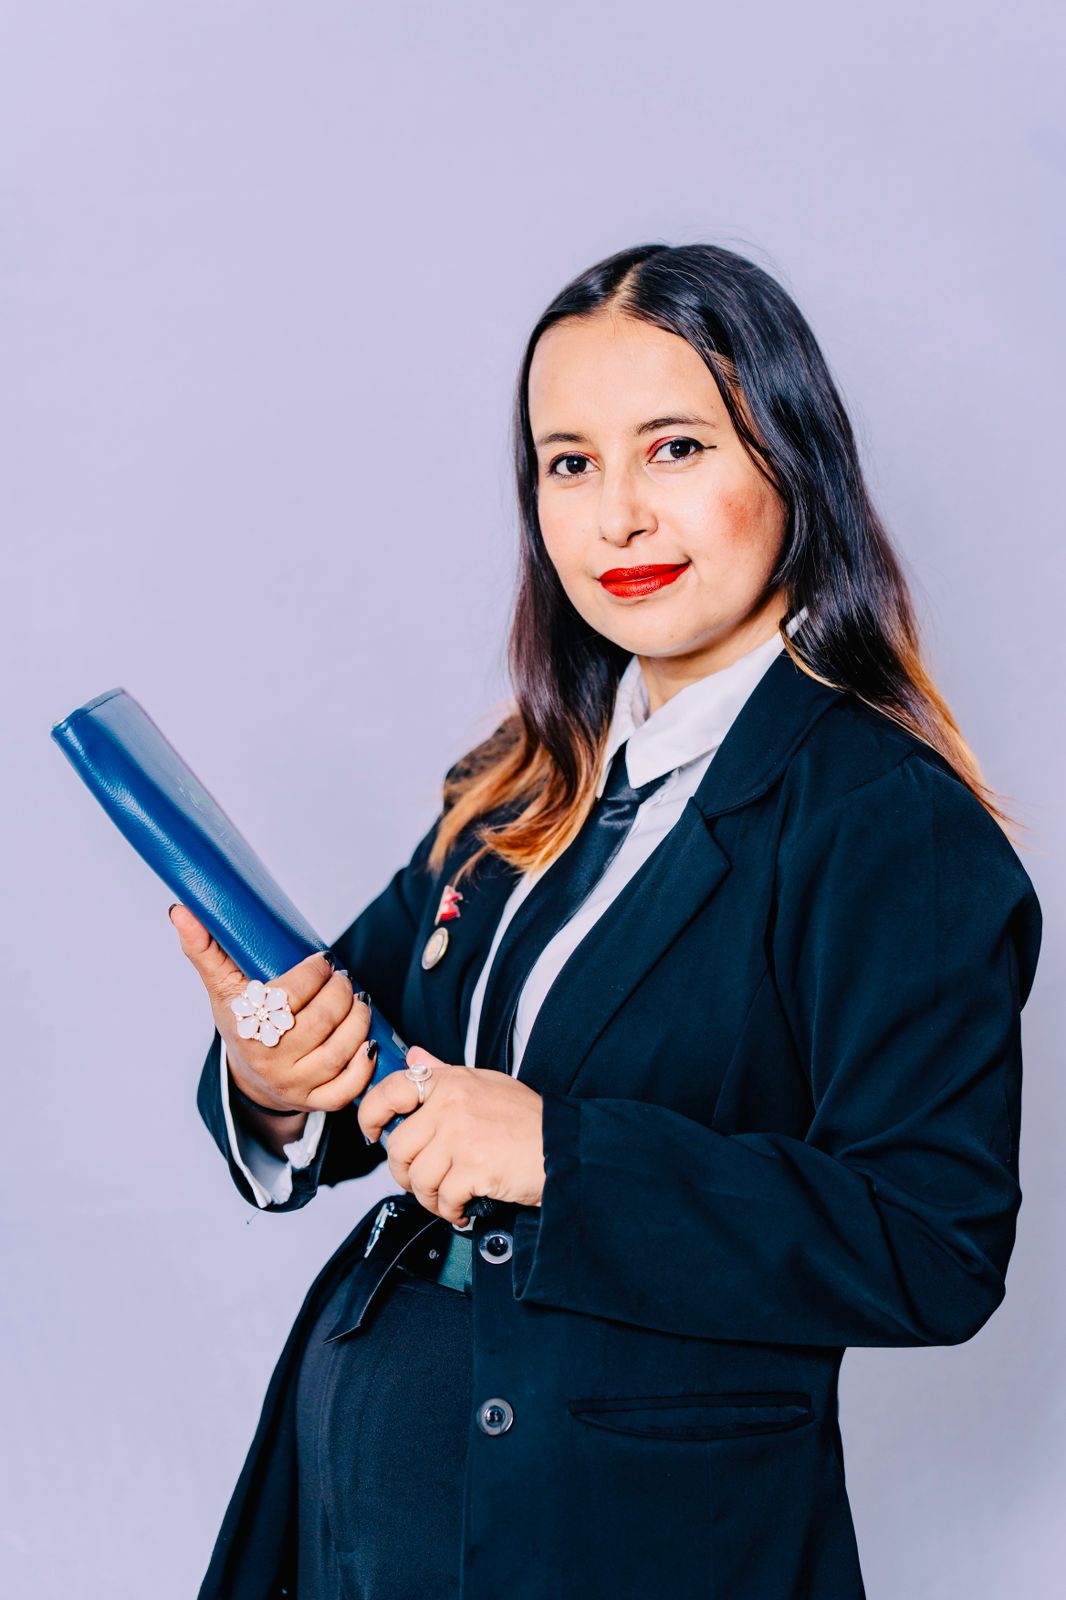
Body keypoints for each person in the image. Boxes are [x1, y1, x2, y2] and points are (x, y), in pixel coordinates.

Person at [170, 241, 1043, 1600]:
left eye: (676, 448)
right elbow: (364, 1082)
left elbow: (931, 1243)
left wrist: (562, 1154)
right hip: (357, 1509)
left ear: (791, 465)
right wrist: (276, 1076)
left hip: (621, 1543)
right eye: (567, 462)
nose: (617, 515)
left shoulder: (883, 822)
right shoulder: (515, 782)